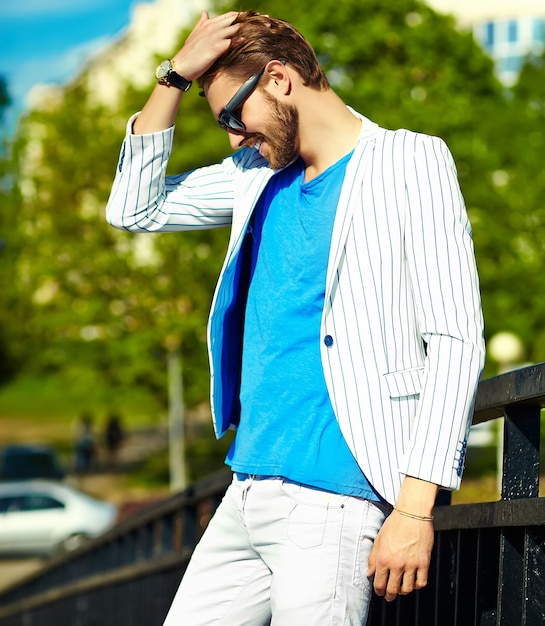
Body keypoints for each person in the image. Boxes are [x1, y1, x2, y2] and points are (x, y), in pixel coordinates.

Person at [105, 10, 485, 625]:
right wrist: (173, 78)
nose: (232, 136)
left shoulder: (407, 161)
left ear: (278, 79)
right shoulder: (257, 176)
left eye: (233, 115)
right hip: (247, 485)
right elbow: (133, 209)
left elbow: (454, 338)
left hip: (333, 500)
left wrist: (415, 509)